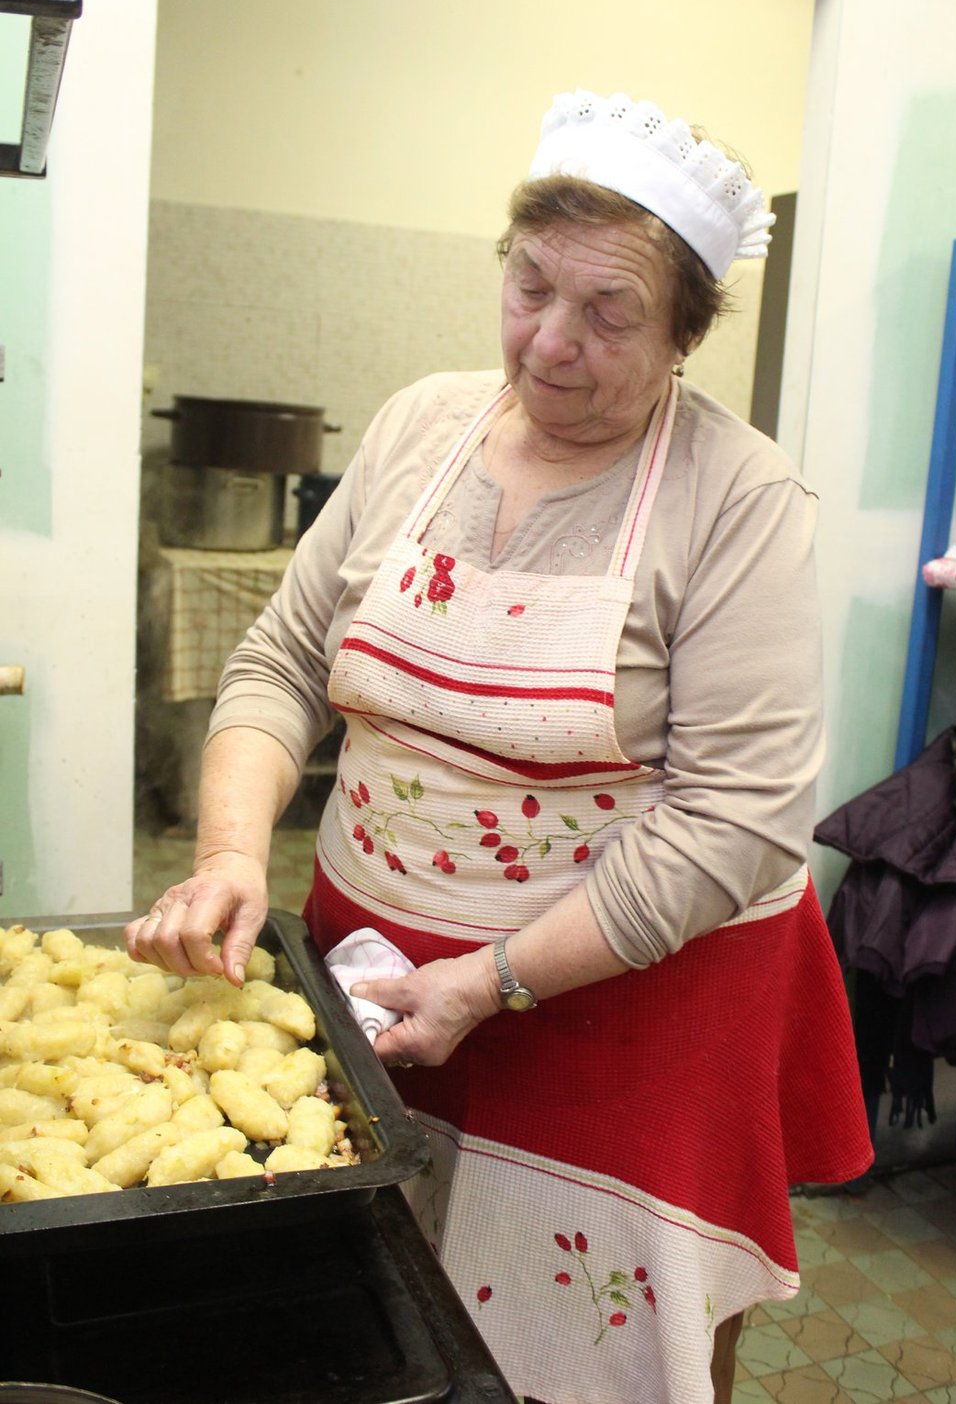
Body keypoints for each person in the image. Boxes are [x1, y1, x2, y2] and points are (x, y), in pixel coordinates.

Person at [127, 89, 872, 1404]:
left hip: (629, 996)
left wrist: (494, 979)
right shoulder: (423, 425)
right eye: (531, 286)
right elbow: (284, 658)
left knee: (605, 1321)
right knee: (393, 1300)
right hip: (373, 954)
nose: (551, 342)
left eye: (609, 314)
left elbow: (731, 822)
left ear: (686, 332)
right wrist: (233, 853)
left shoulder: (738, 498)